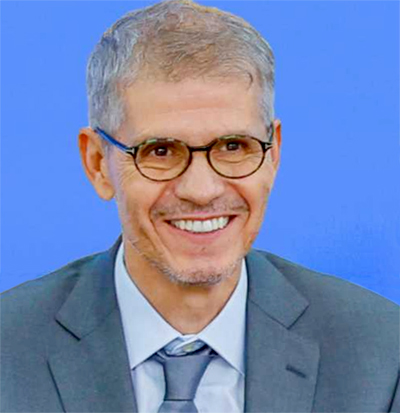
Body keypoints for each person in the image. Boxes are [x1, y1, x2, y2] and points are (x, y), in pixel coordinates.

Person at [1, 1, 399, 412]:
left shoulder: (383, 356)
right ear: (98, 163)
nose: (202, 190)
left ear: (274, 154)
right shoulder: (7, 354)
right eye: (160, 151)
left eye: (234, 146)